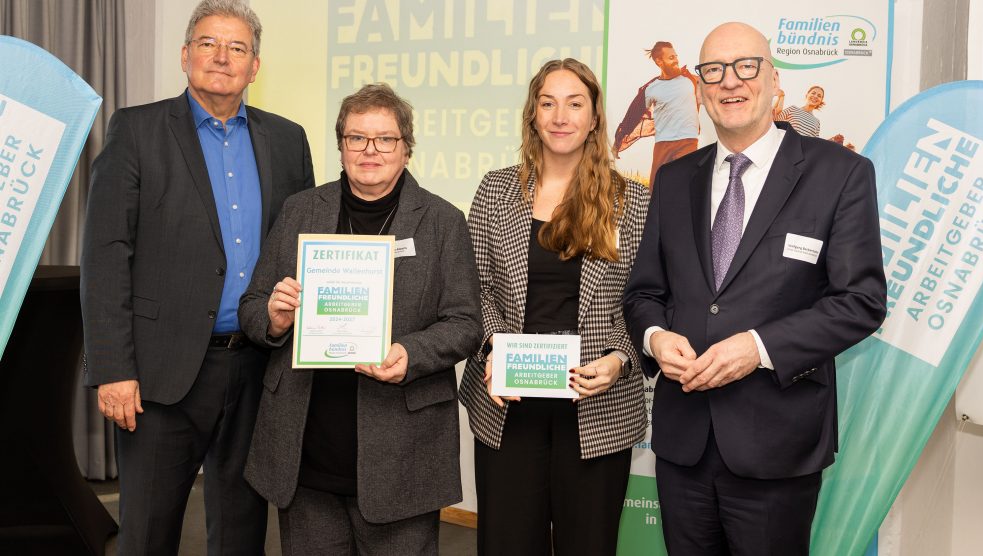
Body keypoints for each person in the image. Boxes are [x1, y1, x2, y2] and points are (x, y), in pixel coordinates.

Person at [622, 22, 886, 555]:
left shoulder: (840, 174)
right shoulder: (675, 180)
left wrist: (757, 348)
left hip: (777, 444)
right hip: (682, 444)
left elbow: (860, 302)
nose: (730, 81)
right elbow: (644, 292)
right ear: (701, 87)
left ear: (774, 81)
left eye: (746, 66)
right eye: (713, 70)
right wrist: (654, 337)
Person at [80, 0, 314, 553]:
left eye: (238, 48)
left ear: (255, 66)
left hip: (258, 365)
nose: (222, 57)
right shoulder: (136, 130)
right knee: (149, 534)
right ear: (185, 55)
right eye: (208, 43)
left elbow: (304, 248)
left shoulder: (288, 140)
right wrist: (113, 367)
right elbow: (106, 252)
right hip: (162, 376)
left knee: (242, 533)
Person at [238, 83, 482, 556]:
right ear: (341, 146)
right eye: (357, 138)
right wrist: (273, 318)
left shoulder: (441, 220)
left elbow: (465, 323)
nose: (371, 150)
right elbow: (252, 303)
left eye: (385, 139)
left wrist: (411, 352)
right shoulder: (300, 210)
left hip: (402, 453)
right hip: (307, 452)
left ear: (406, 148)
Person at [460, 58, 649, 555]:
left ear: (594, 118)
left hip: (596, 407)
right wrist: (492, 346)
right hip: (510, 409)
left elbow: (647, 298)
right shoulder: (495, 191)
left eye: (574, 103)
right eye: (548, 103)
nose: (560, 116)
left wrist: (620, 358)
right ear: (532, 115)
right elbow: (473, 288)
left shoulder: (629, 201)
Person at [613, 41, 700, 189]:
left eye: (676, 56)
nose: (676, 60)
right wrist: (620, 138)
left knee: (685, 185)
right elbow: (633, 115)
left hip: (688, 141)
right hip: (663, 144)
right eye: (671, 57)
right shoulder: (652, 88)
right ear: (659, 61)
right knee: (656, 189)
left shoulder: (690, 80)